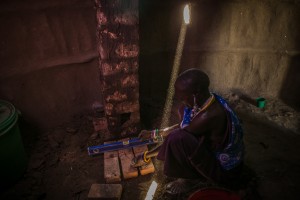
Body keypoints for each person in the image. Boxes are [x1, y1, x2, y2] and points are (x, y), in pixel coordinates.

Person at [131, 68, 244, 195]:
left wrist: (146, 155)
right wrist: (154, 133)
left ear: (195, 94)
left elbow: (177, 137)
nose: (181, 100)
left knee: (177, 139)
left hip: (224, 172)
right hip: (214, 151)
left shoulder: (208, 116)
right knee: (182, 112)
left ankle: (189, 180)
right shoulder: (207, 99)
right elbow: (182, 125)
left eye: (182, 97)